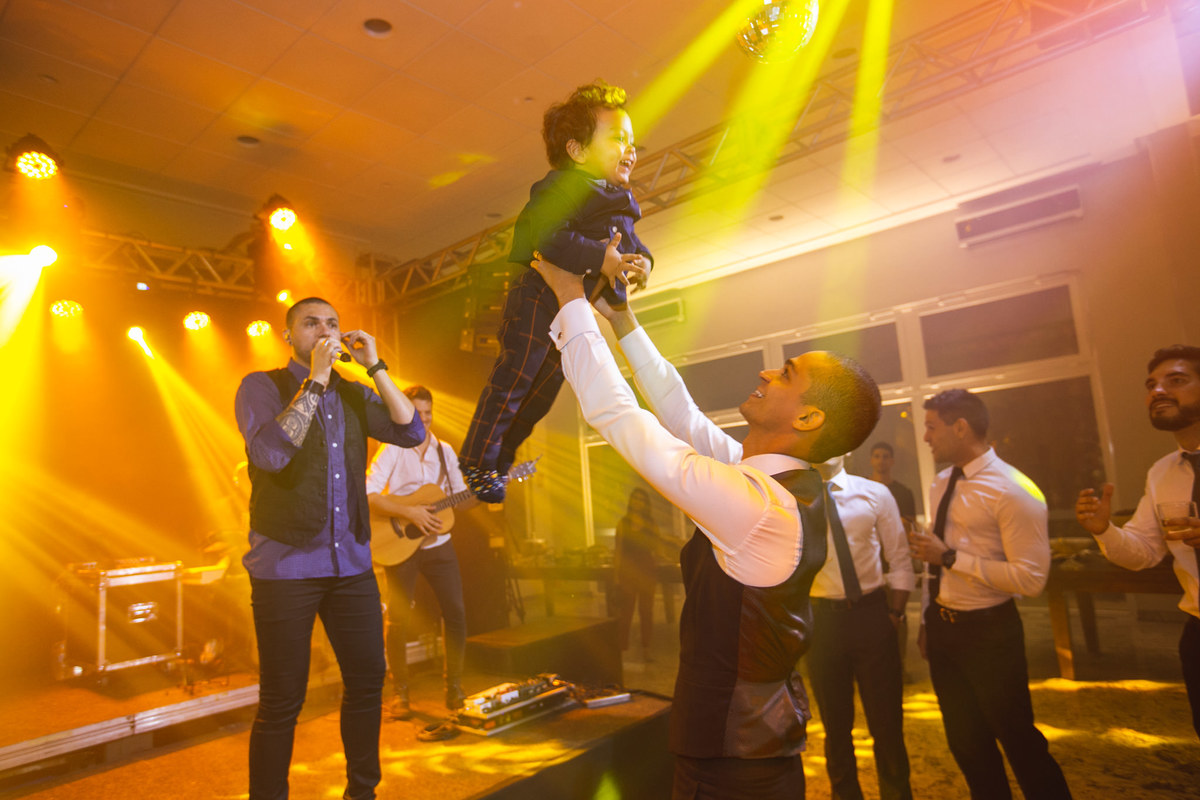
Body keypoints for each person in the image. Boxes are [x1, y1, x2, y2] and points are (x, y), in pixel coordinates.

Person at [533, 255, 882, 799]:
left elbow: (619, 417)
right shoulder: (773, 483)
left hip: (732, 763)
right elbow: (682, 416)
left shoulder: (760, 505)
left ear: (808, 419)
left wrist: (569, 295)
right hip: (753, 748)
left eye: (786, 374)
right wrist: (620, 318)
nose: (766, 374)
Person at [234, 296, 423, 800]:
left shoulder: (355, 393)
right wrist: (315, 380)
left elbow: (412, 430)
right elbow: (270, 455)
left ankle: (362, 792)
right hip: (284, 567)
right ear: (288, 335)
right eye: (311, 323)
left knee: (368, 681)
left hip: (351, 566)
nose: (324, 331)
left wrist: (375, 367)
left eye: (333, 323)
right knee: (282, 700)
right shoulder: (261, 386)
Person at [459, 80, 652, 503]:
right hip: (535, 299)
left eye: (632, 140)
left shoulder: (621, 200)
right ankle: (476, 459)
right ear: (577, 151)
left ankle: (499, 462)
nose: (630, 149)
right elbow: (549, 236)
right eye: (617, 138)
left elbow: (634, 244)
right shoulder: (560, 188)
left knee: (542, 394)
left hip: (568, 314)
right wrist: (600, 258)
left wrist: (642, 263)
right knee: (516, 377)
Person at [909, 389, 1072, 800]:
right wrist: (928, 617)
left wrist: (950, 558)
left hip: (990, 634)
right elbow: (934, 558)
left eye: (931, 427)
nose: (925, 437)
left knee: (1018, 740)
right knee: (967, 744)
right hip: (943, 628)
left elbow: (1031, 580)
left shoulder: (1013, 490)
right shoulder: (941, 483)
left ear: (960, 427)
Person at [1075, 344, 1200, 738]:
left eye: (1176, 380)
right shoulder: (1163, 473)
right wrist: (1104, 530)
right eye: (1151, 385)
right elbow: (1144, 552)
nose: (1158, 391)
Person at [809, 455, 914, 800]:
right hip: (822, 623)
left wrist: (894, 614)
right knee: (835, 728)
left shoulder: (875, 493)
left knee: (887, 724)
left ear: (849, 450)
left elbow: (900, 559)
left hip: (872, 616)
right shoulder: (792, 499)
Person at [366, 385, 474, 719]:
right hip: (400, 543)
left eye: (428, 413)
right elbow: (368, 493)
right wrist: (409, 512)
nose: (423, 419)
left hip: (439, 545)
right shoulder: (392, 447)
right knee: (398, 620)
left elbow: (461, 498)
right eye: (417, 413)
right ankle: (400, 692)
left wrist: (486, 489)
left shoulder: (445, 451)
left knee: (455, 614)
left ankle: (454, 687)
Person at [615, 486, 668, 660]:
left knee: (646, 611)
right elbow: (618, 551)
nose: (638, 502)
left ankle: (646, 648)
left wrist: (666, 555)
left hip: (646, 571)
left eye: (641, 500)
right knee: (626, 612)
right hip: (628, 572)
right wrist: (616, 576)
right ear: (631, 501)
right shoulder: (622, 523)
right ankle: (622, 649)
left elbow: (657, 546)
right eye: (635, 498)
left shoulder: (651, 523)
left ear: (645, 504)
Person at [868, 441, 917, 524]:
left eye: (885, 457)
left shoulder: (904, 493)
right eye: (877, 456)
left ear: (892, 461)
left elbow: (909, 524)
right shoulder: (860, 489)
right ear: (871, 460)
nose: (881, 460)